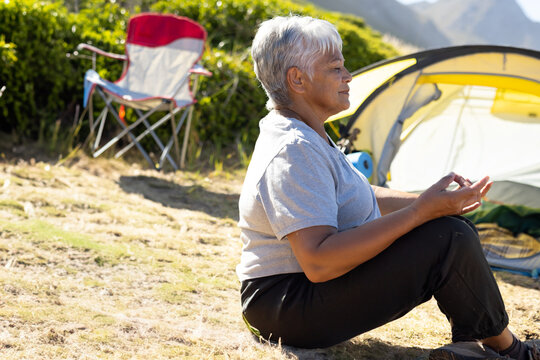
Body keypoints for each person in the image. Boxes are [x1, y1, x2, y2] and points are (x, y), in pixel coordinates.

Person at [236, 15, 538, 360]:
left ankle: (472, 348)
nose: (348, 76)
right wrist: (419, 213)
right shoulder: (294, 148)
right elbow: (319, 261)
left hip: (294, 299)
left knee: (448, 228)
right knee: (448, 237)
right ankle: (513, 351)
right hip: (285, 309)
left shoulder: (308, 133)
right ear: (297, 79)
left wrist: (433, 203)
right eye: (336, 68)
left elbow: (360, 197)